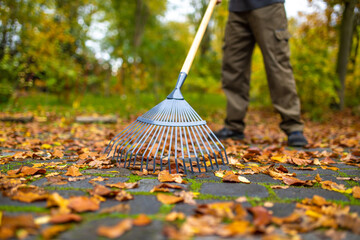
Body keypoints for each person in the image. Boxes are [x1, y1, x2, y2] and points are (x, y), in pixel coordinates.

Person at [214, 0, 308, 147]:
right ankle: (233, 126)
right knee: (233, 67)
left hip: (268, 6)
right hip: (237, 9)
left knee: (277, 65)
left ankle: (293, 127)